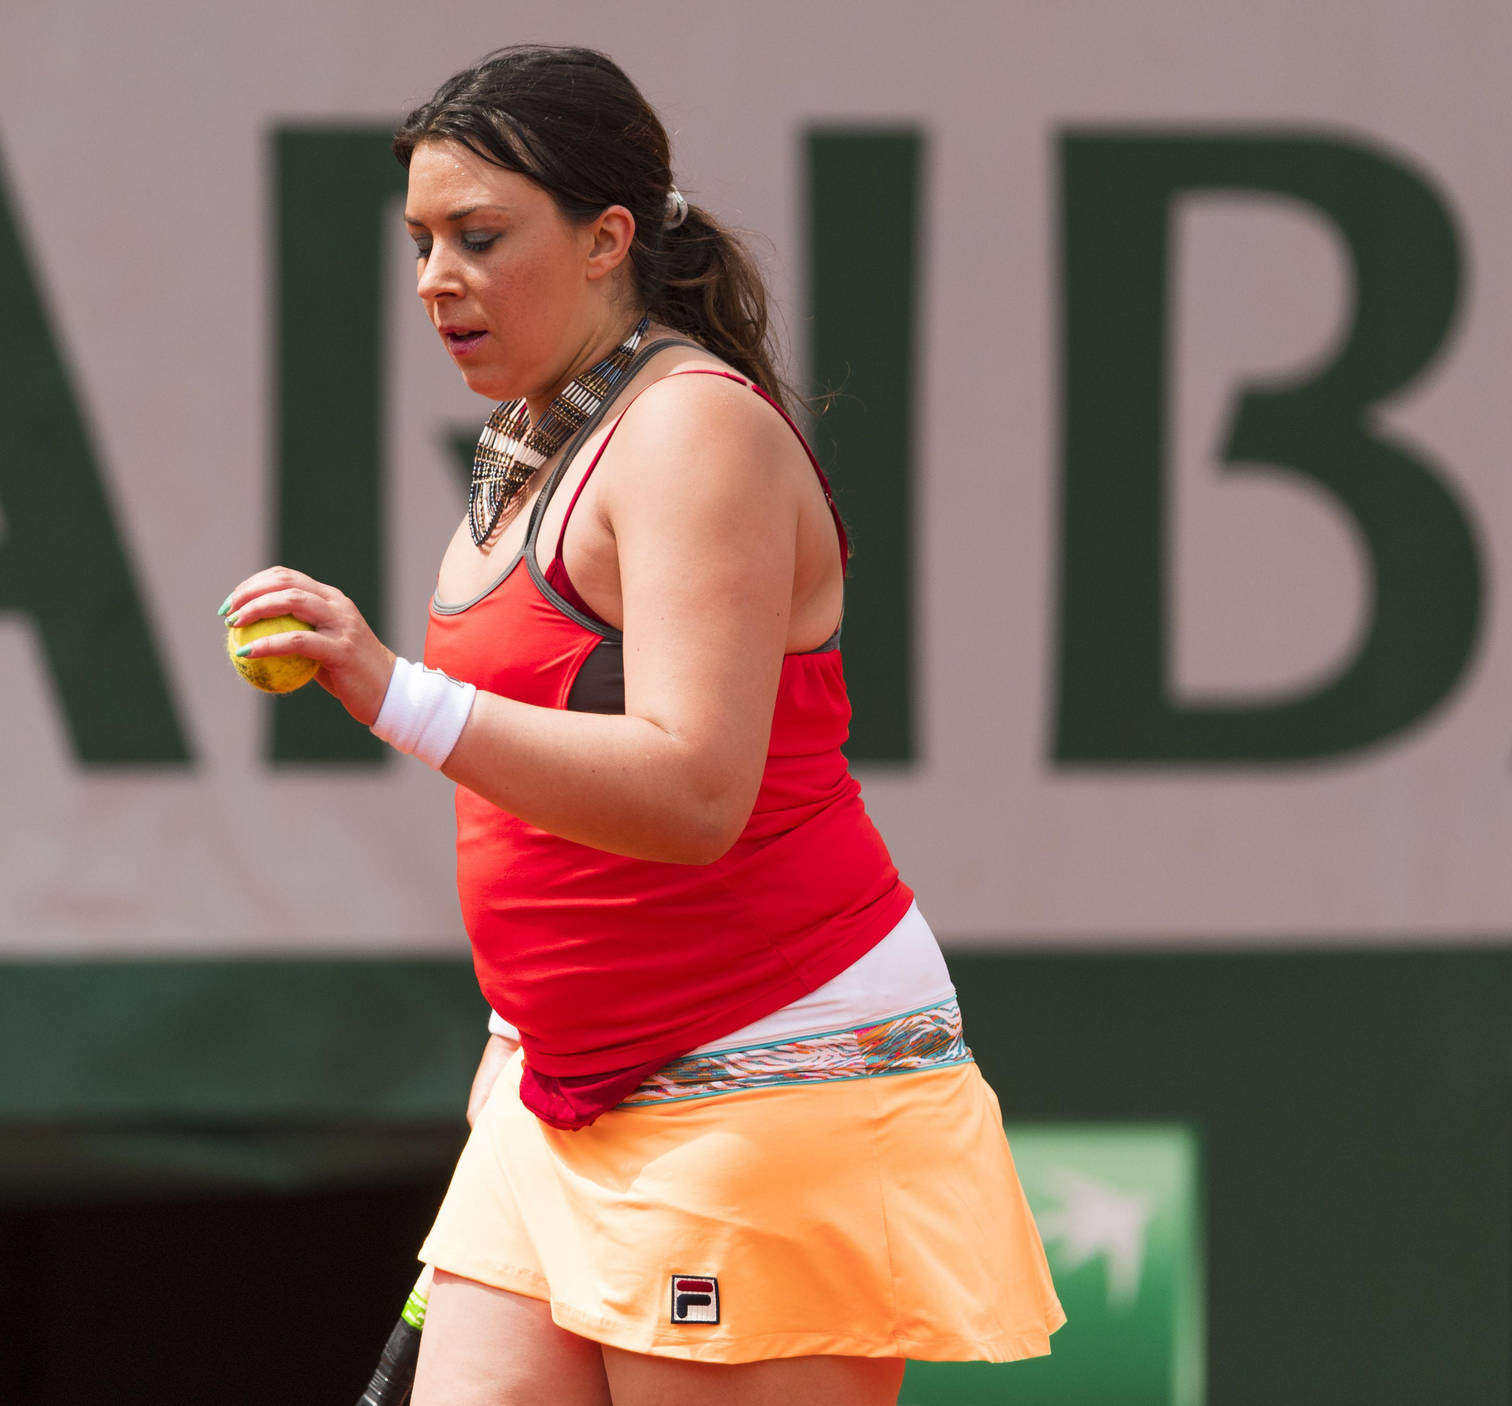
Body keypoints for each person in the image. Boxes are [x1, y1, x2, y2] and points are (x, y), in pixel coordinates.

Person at [221, 44, 1062, 1406]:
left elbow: (691, 789)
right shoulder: (541, 441)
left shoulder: (692, 438)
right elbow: (535, 796)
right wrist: (522, 1022)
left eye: (482, 237)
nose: (439, 277)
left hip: (765, 1084)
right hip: (560, 1091)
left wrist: (391, 690)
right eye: (422, 241)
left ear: (609, 236)